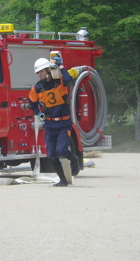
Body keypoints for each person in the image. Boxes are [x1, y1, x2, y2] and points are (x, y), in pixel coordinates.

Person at [28, 57, 81, 187]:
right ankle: (62, 180)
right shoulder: (37, 88)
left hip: (63, 123)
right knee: (51, 156)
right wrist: (39, 115)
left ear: (48, 70)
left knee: (61, 151)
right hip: (50, 125)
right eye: (38, 72)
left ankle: (74, 159)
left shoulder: (60, 81)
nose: (40, 74)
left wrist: (61, 66)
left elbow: (69, 79)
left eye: (42, 71)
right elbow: (32, 104)